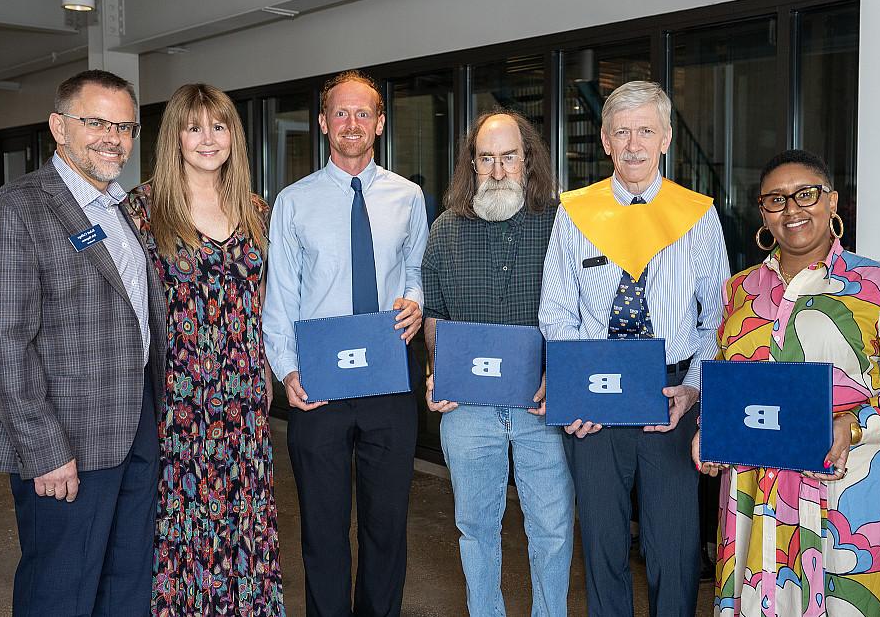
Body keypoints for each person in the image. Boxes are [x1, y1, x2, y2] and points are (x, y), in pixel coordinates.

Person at [693, 149, 880, 616]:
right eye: (776, 200)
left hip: (848, 495)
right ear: (763, 214)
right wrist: (710, 431)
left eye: (805, 194)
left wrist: (852, 424)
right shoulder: (739, 290)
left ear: (832, 203)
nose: (792, 209)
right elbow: (731, 381)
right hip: (758, 497)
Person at [0, 69, 166, 616]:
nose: (114, 138)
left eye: (124, 126)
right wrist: (46, 452)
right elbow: (5, 343)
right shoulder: (18, 209)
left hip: (135, 431)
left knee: (127, 580)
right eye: (96, 122)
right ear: (59, 126)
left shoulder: (122, 209)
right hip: (66, 445)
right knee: (60, 587)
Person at [538, 80, 729, 616]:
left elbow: (717, 314)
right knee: (601, 547)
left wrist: (693, 390)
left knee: (675, 547)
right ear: (603, 140)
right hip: (596, 394)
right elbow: (556, 311)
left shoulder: (698, 216)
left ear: (667, 137)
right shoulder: (575, 212)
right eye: (621, 132)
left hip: (671, 394)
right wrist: (577, 392)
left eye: (646, 130)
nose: (634, 144)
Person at [262, 70, 428, 617]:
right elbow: (280, 297)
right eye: (340, 113)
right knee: (323, 528)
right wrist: (288, 373)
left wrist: (415, 300)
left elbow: (415, 272)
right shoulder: (293, 202)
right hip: (319, 384)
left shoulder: (408, 197)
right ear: (322, 123)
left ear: (379, 124)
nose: (351, 123)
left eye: (362, 114)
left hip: (387, 376)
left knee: (387, 527)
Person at [125, 84, 285, 616]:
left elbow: (268, 299)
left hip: (242, 399)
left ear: (233, 137)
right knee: (181, 518)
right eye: (194, 127)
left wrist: (267, 368)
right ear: (174, 137)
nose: (207, 139)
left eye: (218, 126)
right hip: (177, 396)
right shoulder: (142, 211)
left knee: (244, 516)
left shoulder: (257, 211)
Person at [422, 110, 573, 616]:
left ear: (528, 160)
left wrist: (564, 377)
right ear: (473, 163)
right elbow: (435, 316)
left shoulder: (560, 226)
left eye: (509, 156)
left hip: (541, 407)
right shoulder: (445, 230)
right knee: (475, 528)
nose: (498, 168)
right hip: (468, 409)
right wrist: (437, 372)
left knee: (551, 529)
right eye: (486, 158)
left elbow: (580, 314)